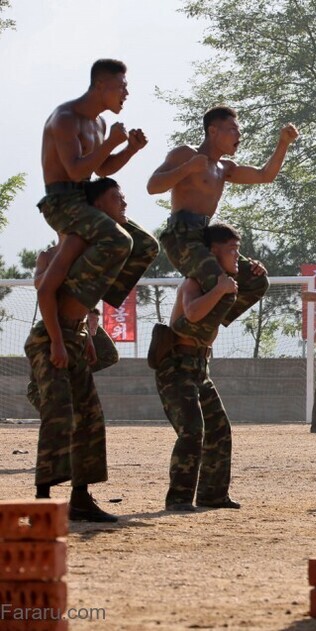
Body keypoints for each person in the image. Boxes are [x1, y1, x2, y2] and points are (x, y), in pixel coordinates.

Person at [26, 179, 135, 522]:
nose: (124, 203)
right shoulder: (61, 249)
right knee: (58, 413)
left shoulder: (99, 248)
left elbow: (81, 299)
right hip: (51, 337)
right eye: (117, 198)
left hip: (74, 335)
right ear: (96, 207)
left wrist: (84, 333)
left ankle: (80, 499)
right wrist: (58, 340)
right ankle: (43, 500)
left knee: (89, 418)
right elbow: (46, 294)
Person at [148, 106, 298, 339]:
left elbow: (264, 175)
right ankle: (179, 334)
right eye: (233, 130)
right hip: (182, 236)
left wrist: (283, 143)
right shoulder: (186, 154)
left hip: (207, 236)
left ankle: (196, 325)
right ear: (213, 131)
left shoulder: (224, 168)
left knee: (256, 280)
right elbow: (153, 186)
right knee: (223, 286)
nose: (239, 137)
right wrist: (188, 168)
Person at [39, 60, 158, 312]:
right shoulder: (65, 119)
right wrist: (111, 143)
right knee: (119, 239)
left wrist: (130, 149)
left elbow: (102, 168)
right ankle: (69, 298)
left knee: (146, 245)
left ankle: (89, 300)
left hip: (86, 201)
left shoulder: (100, 123)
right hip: (61, 204)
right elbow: (75, 170)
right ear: (101, 85)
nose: (126, 94)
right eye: (122, 87)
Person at [155, 224, 243, 511]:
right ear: (213, 253)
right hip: (177, 365)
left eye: (238, 249)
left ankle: (212, 495)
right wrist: (219, 289)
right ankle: (178, 498)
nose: (237, 256)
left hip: (200, 367)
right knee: (192, 429)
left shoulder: (223, 283)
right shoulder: (194, 280)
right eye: (231, 250)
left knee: (220, 429)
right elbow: (192, 313)